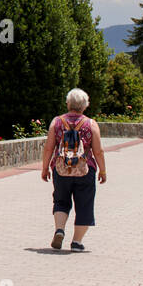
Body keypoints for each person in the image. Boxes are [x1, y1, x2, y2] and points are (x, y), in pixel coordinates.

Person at [40, 88, 106, 250]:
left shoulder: (57, 122)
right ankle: (76, 242)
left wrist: (45, 168)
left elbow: (48, 148)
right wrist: (103, 171)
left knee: (61, 201)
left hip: (61, 168)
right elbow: (98, 151)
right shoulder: (90, 124)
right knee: (84, 205)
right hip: (85, 169)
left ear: (68, 103)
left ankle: (60, 230)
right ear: (85, 106)